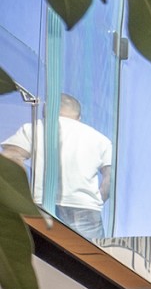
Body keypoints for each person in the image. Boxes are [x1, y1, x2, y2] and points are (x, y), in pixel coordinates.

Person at [3, 94, 112, 238]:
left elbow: (11, 158)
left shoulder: (34, 128)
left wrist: (22, 195)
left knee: (40, 254)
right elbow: (111, 179)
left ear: (46, 112)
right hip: (85, 207)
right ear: (79, 116)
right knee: (88, 257)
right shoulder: (100, 139)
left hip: (42, 202)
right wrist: (98, 199)